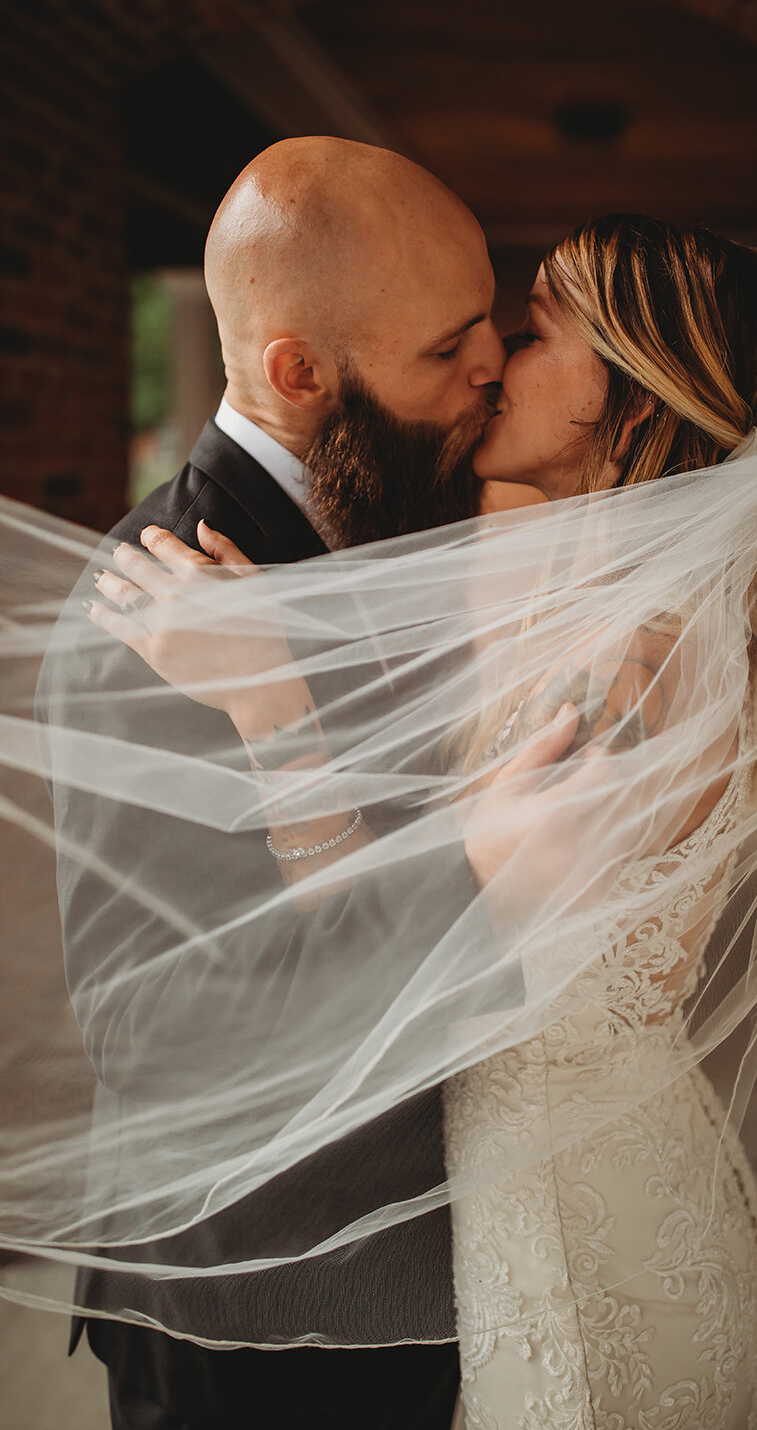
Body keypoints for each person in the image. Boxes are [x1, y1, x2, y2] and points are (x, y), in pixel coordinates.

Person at [84, 214, 757, 1428]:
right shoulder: (596, 604)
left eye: (535, 334)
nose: (493, 358)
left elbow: (426, 946)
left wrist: (274, 705)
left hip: (564, 1194)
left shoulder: (630, 678)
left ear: (635, 409)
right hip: (530, 1166)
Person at [37, 134, 505, 1430]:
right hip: (260, 1322)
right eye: (447, 346)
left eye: (492, 322)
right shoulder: (155, 619)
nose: (492, 369)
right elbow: (156, 1028)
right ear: (300, 371)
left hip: (420, 1280)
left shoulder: (404, 497)